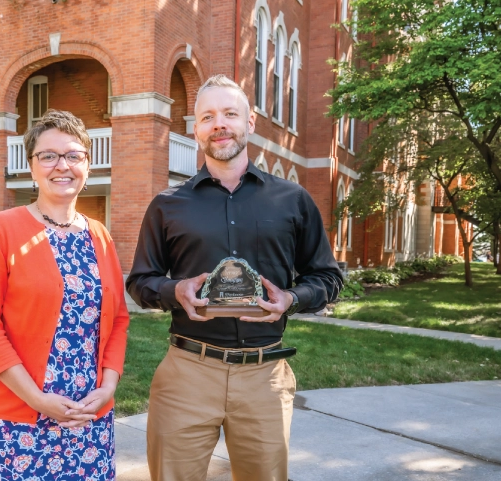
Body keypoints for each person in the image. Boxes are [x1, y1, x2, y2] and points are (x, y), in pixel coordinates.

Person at [126, 75, 343, 481]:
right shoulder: (168, 205)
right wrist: (177, 291)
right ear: (196, 128)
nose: (219, 124)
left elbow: (327, 276)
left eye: (229, 113)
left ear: (251, 122)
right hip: (188, 371)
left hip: (265, 377)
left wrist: (290, 300)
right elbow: (141, 281)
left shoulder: (292, 199)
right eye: (208, 116)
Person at [0, 110, 129, 481]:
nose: (62, 166)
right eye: (48, 156)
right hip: (19, 420)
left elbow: (118, 319)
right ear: (31, 166)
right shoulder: (1, 229)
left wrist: (107, 388)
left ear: (87, 165)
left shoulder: (99, 235)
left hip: (88, 418)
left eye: (73, 155)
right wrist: (38, 400)